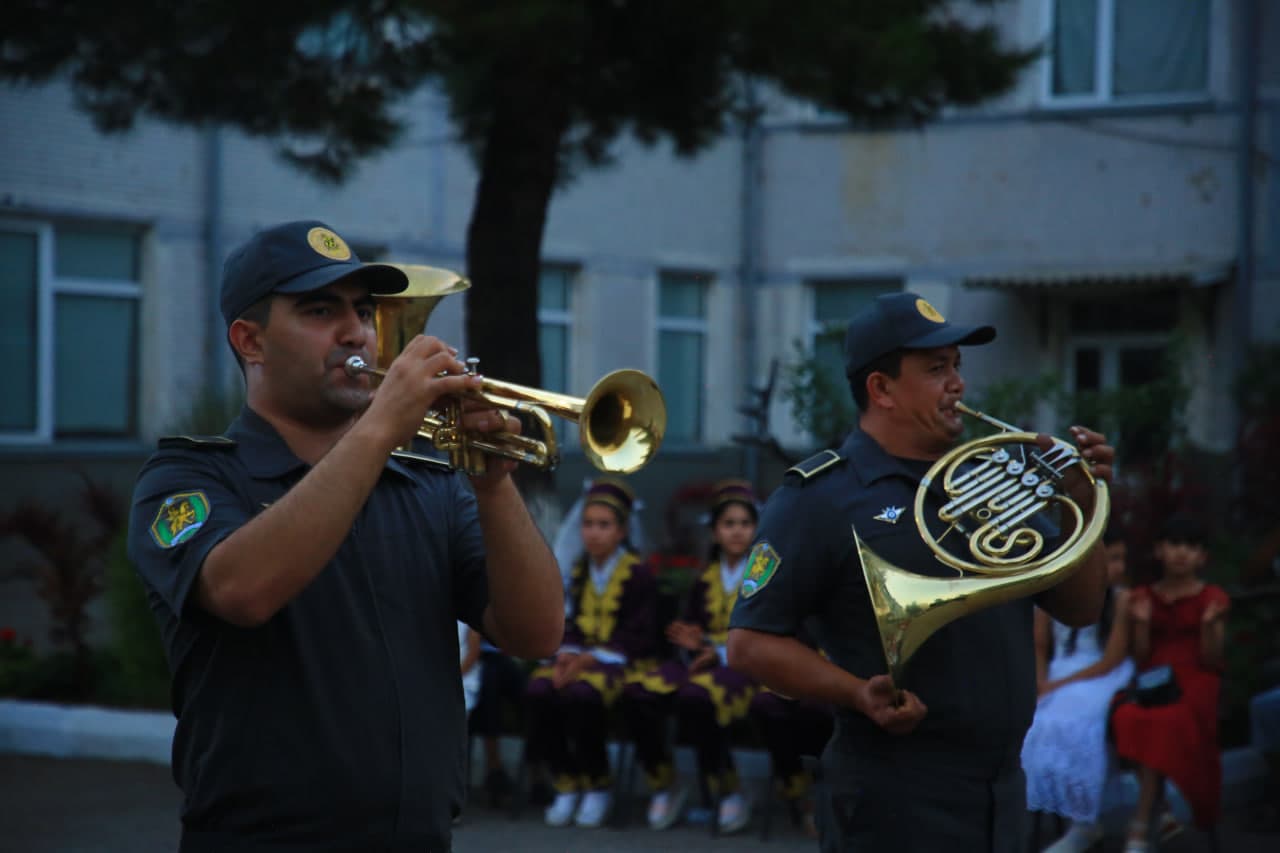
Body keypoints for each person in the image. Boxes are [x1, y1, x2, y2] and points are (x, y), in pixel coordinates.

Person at [126, 220, 563, 853]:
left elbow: (536, 633)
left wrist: (494, 485)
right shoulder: (189, 477)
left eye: (363, 310)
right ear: (251, 341)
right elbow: (242, 590)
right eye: (320, 310)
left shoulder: (430, 486)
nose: (357, 331)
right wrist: (380, 428)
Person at [726, 291, 1115, 853]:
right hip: (893, 796)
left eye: (957, 365)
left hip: (1002, 788)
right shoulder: (820, 496)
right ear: (881, 389)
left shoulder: (991, 479)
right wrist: (856, 693)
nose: (957, 384)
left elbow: (1080, 608)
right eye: (936, 369)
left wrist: (1083, 500)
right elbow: (750, 643)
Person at [621, 479, 761, 833]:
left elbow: (768, 636)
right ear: (714, 531)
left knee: (697, 698)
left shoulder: (766, 579)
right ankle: (665, 782)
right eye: (728, 524)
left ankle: (728, 788)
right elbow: (690, 630)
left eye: (745, 523)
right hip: (701, 663)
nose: (737, 531)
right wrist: (692, 641)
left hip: (747, 667)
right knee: (638, 693)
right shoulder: (704, 578)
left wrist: (715, 651)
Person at [524, 477, 656, 829]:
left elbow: (641, 633)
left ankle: (598, 783)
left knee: (584, 695)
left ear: (622, 530)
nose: (594, 533)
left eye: (604, 525)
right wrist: (567, 653)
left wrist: (590, 658)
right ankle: (566, 780)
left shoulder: (638, 574)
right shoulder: (579, 570)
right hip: (579, 658)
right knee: (539, 689)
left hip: (622, 662)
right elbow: (569, 622)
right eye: (588, 524)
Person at [1111, 515, 1230, 852]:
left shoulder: (1213, 597)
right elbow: (1141, 657)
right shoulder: (1143, 597)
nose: (1181, 553)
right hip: (1155, 678)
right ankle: (1160, 810)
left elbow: (1212, 660)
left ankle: (1140, 822)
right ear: (1159, 550)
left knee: (1166, 720)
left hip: (1197, 679)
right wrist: (1142, 624)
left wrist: (1208, 626)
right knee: (1124, 714)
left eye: (1190, 546)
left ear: (1202, 557)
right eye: (1174, 544)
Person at [1022, 526, 1134, 852]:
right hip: (1059, 672)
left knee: (1072, 720)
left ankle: (1083, 823)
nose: (1118, 567)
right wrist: (1041, 682)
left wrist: (1056, 685)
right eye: (1111, 559)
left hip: (1099, 674)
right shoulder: (1054, 595)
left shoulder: (1122, 599)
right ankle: (1050, 811)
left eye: (1121, 559)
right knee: (1034, 723)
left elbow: (1110, 660)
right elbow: (1040, 646)